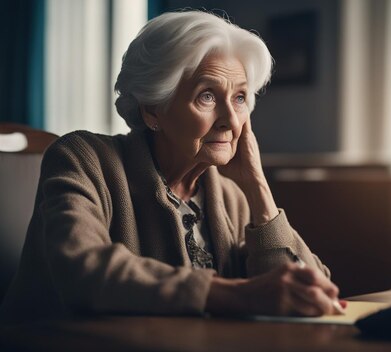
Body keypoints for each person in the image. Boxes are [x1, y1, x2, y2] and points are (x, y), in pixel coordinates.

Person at [0, 10, 340, 323]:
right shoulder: (83, 158)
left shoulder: (230, 195)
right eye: (207, 96)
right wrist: (237, 295)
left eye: (239, 97)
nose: (230, 120)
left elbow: (310, 296)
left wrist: (258, 189)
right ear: (152, 110)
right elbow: (82, 271)